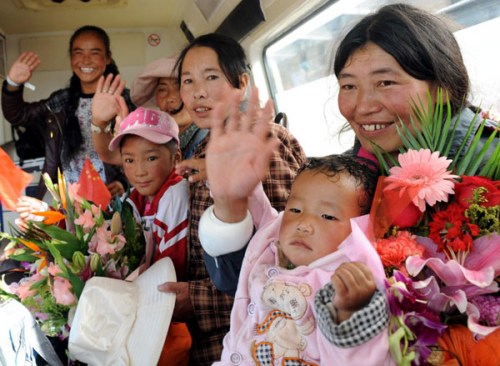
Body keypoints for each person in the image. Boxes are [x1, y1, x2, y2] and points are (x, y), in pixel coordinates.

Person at [144, 33, 306, 365]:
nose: (197, 91)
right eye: (187, 81)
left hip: (253, 335)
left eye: (211, 77)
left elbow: (285, 259)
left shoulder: (257, 144)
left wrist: (197, 297)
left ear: (242, 82)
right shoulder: (206, 146)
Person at [198, 108, 392, 363]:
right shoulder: (273, 243)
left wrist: (350, 314)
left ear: (359, 230)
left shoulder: (344, 283)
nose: (303, 224)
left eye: (327, 216)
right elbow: (256, 208)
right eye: (296, 209)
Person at [333, 3, 498, 162]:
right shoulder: (337, 181)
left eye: (385, 83)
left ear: (444, 87)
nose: (363, 107)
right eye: (349, 86)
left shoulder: (492, 165)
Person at [1, 25, 134, 199]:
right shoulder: (61, 100)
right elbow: (18, 115)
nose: (85, 60)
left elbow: (138, 149)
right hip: (68, 200)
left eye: (94, 52)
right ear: (71, 58)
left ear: (107, 58)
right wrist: (13, 83)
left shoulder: (123, 100)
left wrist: (124, 182)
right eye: (78, 53)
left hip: (111, 197)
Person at [107, 106, 189, 280]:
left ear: (176, 159)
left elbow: (171, 269)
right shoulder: (135, 198)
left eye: (151, 158)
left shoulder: (176, 194)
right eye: (129, 160)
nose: (139, 171)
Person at [130, 57, 208, 160]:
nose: (170, 98)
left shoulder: (209, 138)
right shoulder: (161, 140)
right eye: (162, 89)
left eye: (179, 87)